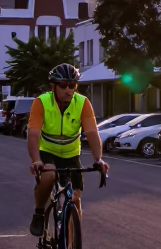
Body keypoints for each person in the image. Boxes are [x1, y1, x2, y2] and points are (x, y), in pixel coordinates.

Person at [28, 63, 108, 238]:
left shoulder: (82, 103)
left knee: (75, 198)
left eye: (72, 85)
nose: (68, 90)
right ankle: (39, 213)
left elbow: (93, 133)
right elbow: (33, 134)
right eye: (63, 85)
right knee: (49, 176)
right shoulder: (41, 102)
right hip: (48, 152)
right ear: (53, 86)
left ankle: (72, 246)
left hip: (71, 154)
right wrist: (36, 160)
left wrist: (98, 159)